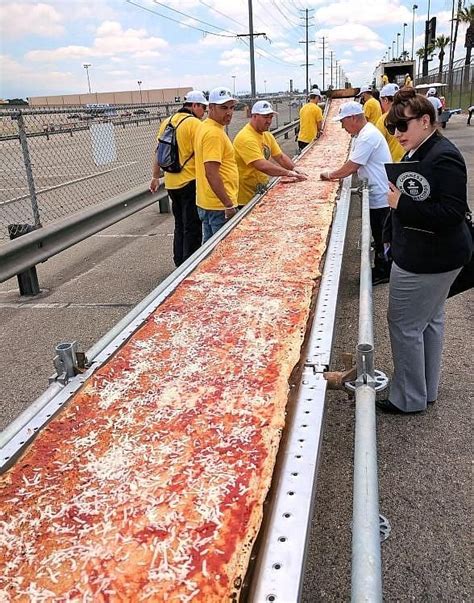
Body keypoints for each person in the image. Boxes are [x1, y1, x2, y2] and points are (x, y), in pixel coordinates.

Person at [377, 88, 472, 414]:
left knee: (404, 325)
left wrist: (400, 204)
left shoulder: (443, 155)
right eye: (392, 128)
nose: (397, 134)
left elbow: (451, 213)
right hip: (430, 253)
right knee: (429, 321)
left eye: (402, 126)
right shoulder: (422, 149)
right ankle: (425, 390)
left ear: (426, 120)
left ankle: (408, 398)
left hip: (429, 259)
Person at [320, 101, 391, 285]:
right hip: (377, 191)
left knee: (382, 233)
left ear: (353, 118)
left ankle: (384, 270)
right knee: (379, 232)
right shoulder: (364, 134)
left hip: (380, 196)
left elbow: (352, 166)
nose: (342, 127)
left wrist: (330, 175)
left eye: (343, 122)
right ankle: (383, 264)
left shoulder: (367, 136)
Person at [150, 90, 208, 267]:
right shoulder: (194, 124)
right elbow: (203, 154)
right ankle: (189, 265)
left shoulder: (167, 122)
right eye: (203, 108)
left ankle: (178, 261)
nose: (204, 112)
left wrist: (154, 177)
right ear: (195, 105)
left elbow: (158, 151)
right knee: (192, 225)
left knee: (179, 224)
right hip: (190, 181)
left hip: (171, 182)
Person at [233, 100, 307, 206]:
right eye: (265, 117)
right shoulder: (246, 138)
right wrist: (288, 173)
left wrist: (294, 168)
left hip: (260, 191)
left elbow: (280, 157)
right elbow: (262, 165)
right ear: (254, 116)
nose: (269, 121)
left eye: (271, 117)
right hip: (246, 198)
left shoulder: (266, 135)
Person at [194, 87, 239, 242]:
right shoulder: (214, 134)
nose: (229, 112)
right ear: (211, 108)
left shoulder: (205, 126)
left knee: (209, 248)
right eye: (223, 108)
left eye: (232, 107)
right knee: (222, 252)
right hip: (218, 205)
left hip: (207, 201)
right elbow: (211, 172)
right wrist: (228, 204)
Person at [375, 83, 405, 162]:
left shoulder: (384, 119)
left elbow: (376, 145)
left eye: (381, 101)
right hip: (412, 162)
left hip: (393, 165)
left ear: (386, 100)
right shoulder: (409, 113)